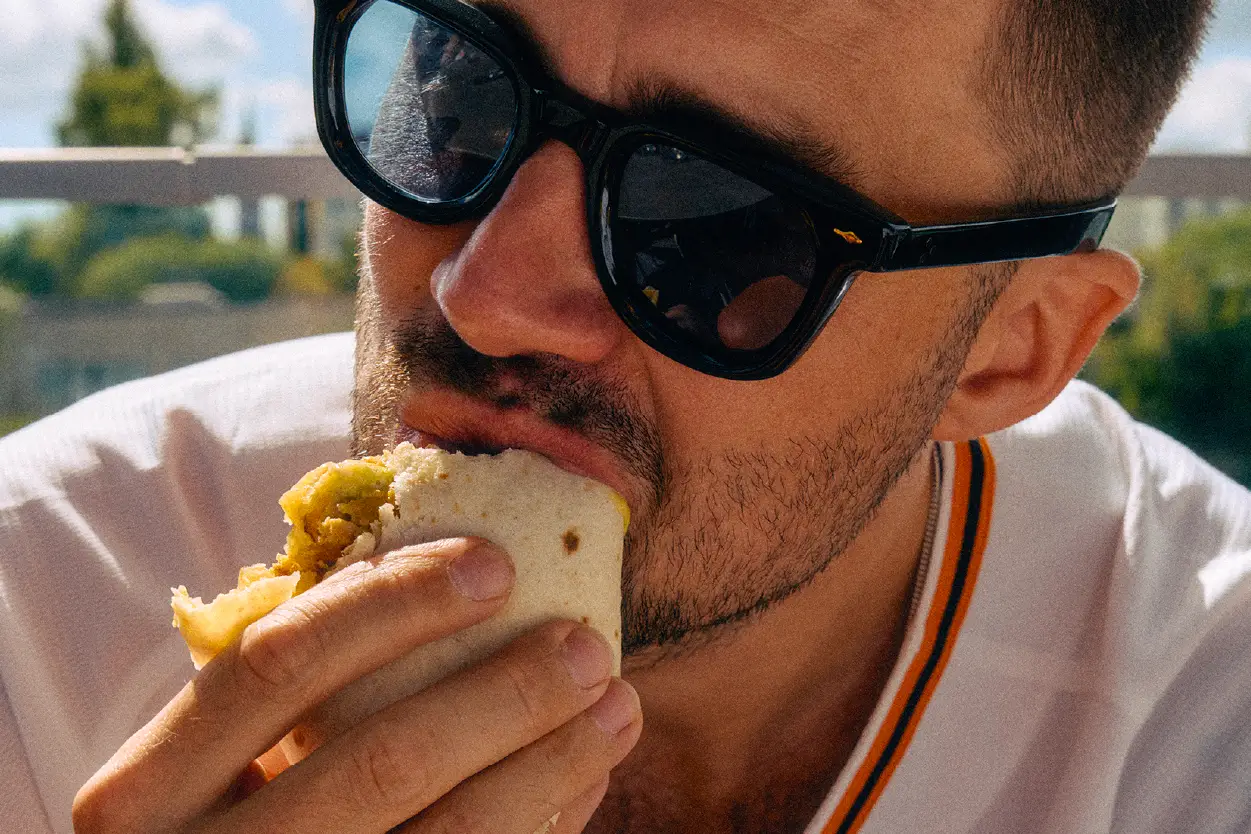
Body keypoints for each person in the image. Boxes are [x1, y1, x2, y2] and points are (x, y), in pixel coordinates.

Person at [1, 0, 1247, 830]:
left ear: (1006, 349)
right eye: (458, 98)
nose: (482, 295)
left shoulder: (1203, 727)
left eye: (711, 221)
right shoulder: (44, 608)